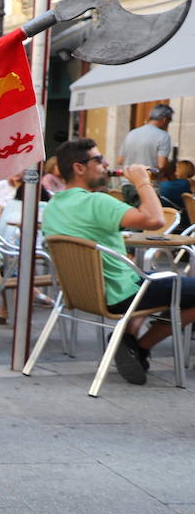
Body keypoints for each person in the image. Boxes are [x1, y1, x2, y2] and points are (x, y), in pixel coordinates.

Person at [42, 138, 195, 384]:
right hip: (121, 294)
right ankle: (140, 347)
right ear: (79, 168)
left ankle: (126, 340)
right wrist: (142, 181)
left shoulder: (53, 207)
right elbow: (156, 221)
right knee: (168, 286)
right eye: (98, 159)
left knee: (155, 279)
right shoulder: (97, 201)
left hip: (83, 294)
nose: (106, 164)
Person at [117, 104, 174, 173]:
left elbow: (120, 160)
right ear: (165, 119)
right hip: (147, 180)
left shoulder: (132, 133)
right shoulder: (163, 136)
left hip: (127, 180)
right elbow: (161, 165)